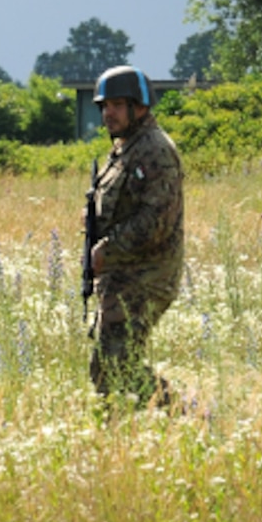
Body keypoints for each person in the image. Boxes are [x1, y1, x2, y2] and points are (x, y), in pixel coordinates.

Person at [86, 65, 184, 409]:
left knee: (117, 365)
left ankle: (190, 419)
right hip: (124, 276)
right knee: (106, 365)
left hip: (147, 278)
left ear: (139, 106)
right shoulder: (126, 149)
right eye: (103, 105)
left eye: (115, 104)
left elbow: (154, 221)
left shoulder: (155, 150)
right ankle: (119, 432)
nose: (107, 113)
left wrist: (106, 251)